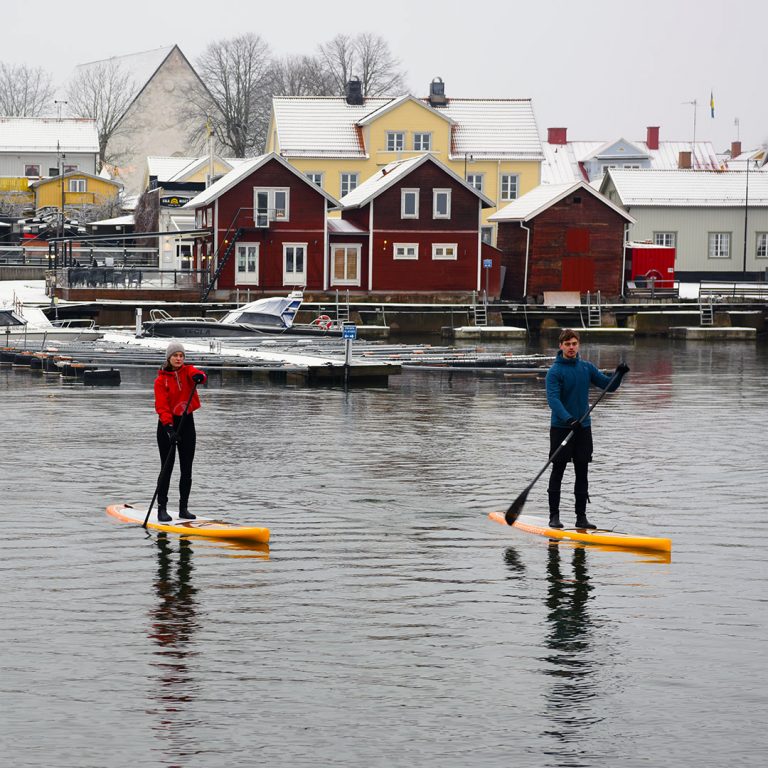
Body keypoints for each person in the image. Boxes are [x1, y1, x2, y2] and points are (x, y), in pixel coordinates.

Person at [545, 329, 629, 530]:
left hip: (583, 428)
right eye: (567, 344)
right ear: (561, 346)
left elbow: (608, 386)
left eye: (574, 344)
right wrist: (569, 419)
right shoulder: (554, 372)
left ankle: (581, 517)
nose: (571, 347)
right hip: (562, 427)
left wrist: (619, 374)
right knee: (558, 471)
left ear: (578, 345)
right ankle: (554, 516)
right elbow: (553, 400)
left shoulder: (586, 367)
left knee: (582, 472)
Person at [153, 342, 207, 522]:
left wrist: (200, 377)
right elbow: (162, 406)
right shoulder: (160, 380)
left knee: (187, 468)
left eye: (181, 356)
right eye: (175, 355)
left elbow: (200, 375)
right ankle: (162, 508)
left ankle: (183, 508)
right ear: (169, 358)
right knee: (167, 467)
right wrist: (169, 429)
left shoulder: (188, 371)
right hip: (167, 426)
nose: (178, 358)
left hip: (187, 423)